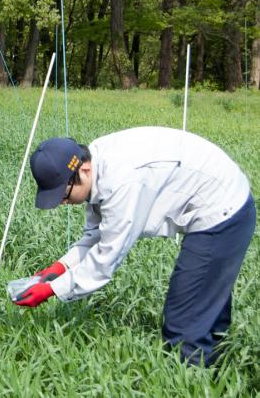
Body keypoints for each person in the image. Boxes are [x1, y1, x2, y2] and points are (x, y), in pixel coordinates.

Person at [17, 126, 255, 368]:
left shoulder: (120, 181)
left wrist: (51, 290)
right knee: (206, 306)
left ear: (84, 170)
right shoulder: (96, 164)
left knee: (184, 323)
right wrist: (58, 268)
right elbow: (95, 236)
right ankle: (220, 374)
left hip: (223, 210)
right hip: (220, 199)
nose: (63, 203)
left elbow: (105, 260)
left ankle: (192, 382)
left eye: (63, 195)